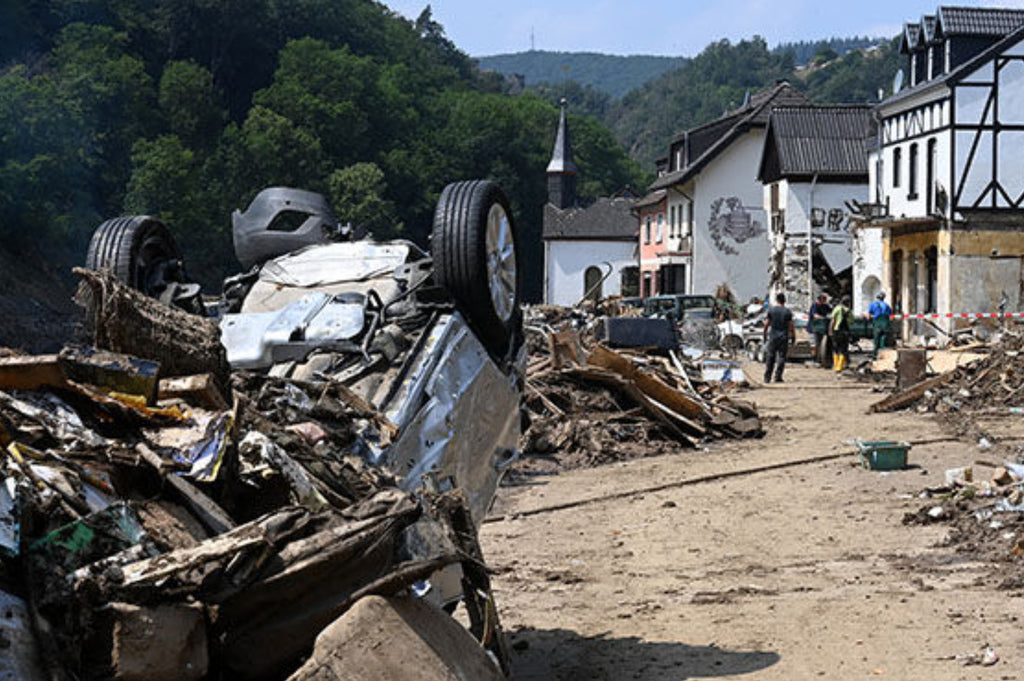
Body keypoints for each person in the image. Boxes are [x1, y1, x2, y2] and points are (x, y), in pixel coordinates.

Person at [763, 292, 795, 383]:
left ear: (777, 300)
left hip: (773, 337)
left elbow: (766, 324)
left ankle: (767, 377)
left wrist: (764, 334)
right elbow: (791, 326)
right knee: (781, 357)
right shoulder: (787, 312)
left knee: (770, 357)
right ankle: (778, 376)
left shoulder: (771, 310)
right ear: (784, 300)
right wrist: (793, 336)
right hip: (783, 337)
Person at [867, 292, 893, 359]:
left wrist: (869, 319)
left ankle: (875, 354)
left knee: (876, 339)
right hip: (885, 324)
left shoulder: (873, 304)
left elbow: (868, 315)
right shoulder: (886, 305)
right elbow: (891, 316)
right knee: (883, 339)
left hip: (877, 324)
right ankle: (883, 355)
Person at [830, 296, 853, 372]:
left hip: (837, 331)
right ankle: (839, 367)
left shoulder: (836, 309)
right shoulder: (849, 311)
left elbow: (833, 320)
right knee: (843, 349)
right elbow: (851, 321)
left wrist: (830, 330)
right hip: (845, 332)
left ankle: (835, 366)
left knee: (836, 348)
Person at [807, 293, 832, 362]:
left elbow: (831, 312)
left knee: (822, 344)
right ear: (819, 299)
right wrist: (822, 318)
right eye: (823, 299)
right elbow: (815, 315)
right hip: (813, 327)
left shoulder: (825, 306)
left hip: (823, 328)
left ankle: (822, 358)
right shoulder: (814, 306)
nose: (824, 301)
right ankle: (814, 359)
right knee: (815, 344)